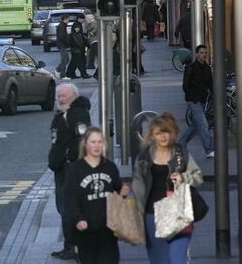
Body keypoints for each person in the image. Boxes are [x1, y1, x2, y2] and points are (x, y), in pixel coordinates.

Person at [132, 113, 203, 263]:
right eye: (158, 133)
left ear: (172, 133)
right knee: (159, 259)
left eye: (166, 132)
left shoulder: (180, 153)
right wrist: (139, 213)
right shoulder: (144, 157)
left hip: (178, 212)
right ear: (152, 135)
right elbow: (138, 187)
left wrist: (183, 178)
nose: (163, 136)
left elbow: (197, 177)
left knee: (177, 259)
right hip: (152, 214)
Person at [63, 127, 129, 264]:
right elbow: (70, 199)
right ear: (85, 144)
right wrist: (78, 219)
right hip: (85, 231)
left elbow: (117, 194)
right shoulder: (75, 170)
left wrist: (122, 193)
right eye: (93, 142)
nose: (97, 145)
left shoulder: (110, 167)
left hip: (107, 230)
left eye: (100, 142)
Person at [48, 83, 91, 260]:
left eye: (63, 95)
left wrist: (67, 156)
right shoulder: (63, 113)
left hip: (70, 168)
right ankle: (71, 246)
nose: (59, 98)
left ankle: (74, 247)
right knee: (65, 209)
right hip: (62, 168)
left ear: (73, 96)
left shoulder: (78, 112)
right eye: (58, 96)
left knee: (69, 209)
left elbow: (81, 139)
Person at [179, 45, 215, 157]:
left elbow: (211, 84)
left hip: (203, 100)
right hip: (193, 101)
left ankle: (180, 144)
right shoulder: (190, 68)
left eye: (206, 53)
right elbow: (185, 85)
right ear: (197, 54)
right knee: (203, 124)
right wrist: (193, 98)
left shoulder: (207, 68)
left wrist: (215, 95)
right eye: (202, 53)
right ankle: (209, 150)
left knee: (196, 125)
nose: (204, 55)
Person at [55, 14, 71, 80]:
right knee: (64, 60)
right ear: (66, 19)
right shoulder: (62, 26)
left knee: (67, 60)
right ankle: (63, 75)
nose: (69, 20)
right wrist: (68, 42)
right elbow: (62, 36)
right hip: (62, 45)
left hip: (62, 45)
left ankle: (58, 70)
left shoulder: (62, 25)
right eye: (68, 19)